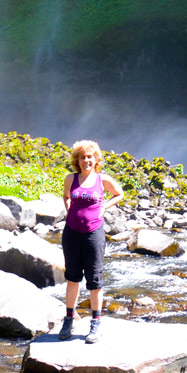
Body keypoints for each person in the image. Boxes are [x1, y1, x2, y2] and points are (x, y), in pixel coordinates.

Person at [59, 138, 123, 343]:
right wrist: (70, 209)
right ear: (77, 160)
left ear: (96, 159)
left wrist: (105, 207)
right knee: (72, 277)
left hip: (94, 233)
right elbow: (66, 196)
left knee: (94, 280)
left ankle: (95, 323)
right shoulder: (70, 178)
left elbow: (119, 194)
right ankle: (69, 318)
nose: (86, 160)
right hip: (71, 233)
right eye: (82, 157)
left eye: (90, 157)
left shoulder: (102, 179)